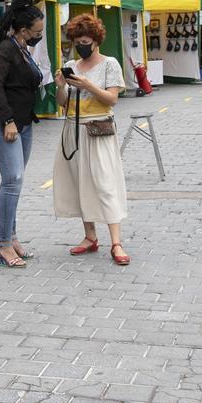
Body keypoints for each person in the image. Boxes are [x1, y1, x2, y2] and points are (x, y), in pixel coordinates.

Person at [53, 14, 130, 266]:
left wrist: (87, 85)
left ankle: (116, 242)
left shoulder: (110, 64)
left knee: (105, 184)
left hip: (98, 129)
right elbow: (62, 103)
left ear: (96, 40)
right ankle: (90, 236)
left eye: (85, 40)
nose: (81, 45)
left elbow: (112, 99)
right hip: (73, 130)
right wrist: (61, 86)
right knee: (79, 184)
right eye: (77, 41)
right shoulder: (72, 65)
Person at [0, 0, 45, 268]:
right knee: (12, 179)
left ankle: (12, 237)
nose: (39, 35)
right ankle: (3, 245)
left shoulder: (22, 49)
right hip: (1, 123)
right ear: (22, 30)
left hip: (23, 124)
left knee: (14, 183)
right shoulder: (6, 49)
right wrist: (7, 120)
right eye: (37, 31)